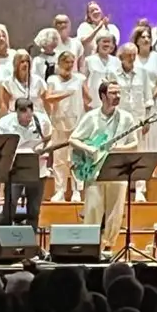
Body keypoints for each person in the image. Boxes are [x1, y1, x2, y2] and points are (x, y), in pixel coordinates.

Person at [71, 81, 142, 255]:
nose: (117, 96)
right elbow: (73, 139)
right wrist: (89, 149)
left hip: (116, 168)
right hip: (94, 169)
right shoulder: (91, 117)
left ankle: (109, 247)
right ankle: (90, 246)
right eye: (113, 93)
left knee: (115, 211)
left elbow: (134, 143)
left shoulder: (126, 118)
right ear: (102, 96)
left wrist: (117, 149)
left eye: (119, 93)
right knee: (93, 209)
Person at [0, 97, 52, 231]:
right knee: (10, 205)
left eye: (29, 117)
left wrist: (44, 149)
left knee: (34, 209)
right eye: (24, 117)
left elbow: (50, 139)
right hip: (14, 170)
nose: (27, 120)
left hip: (38, 169)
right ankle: (5, 237)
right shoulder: (5, 123)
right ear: (16, 113)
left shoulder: (41, 120)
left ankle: (31, 240)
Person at [42, 51, 91, 203]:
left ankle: (76, 190)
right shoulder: (52, 79)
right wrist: (66, 94)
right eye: (66, 62)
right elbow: (48, 97)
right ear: (60, 63)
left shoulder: (80, 78)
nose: (69, 65)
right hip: (59, 123)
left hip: (77, 123)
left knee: (76, 158)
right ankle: (60, 190)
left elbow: (88, 98)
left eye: (71, 62)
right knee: (59, 159)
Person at [110, 42, 157, 201]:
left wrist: (147, 119)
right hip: (119, 121)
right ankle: (120, 190)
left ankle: (139, 191)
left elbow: (148, 98)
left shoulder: (142, 73)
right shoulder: (112, 74)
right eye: (128, 55)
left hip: (138, 119)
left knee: (139, 155)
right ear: (120, 57)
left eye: (133, 55)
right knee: (120, 155)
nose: (131, 58)